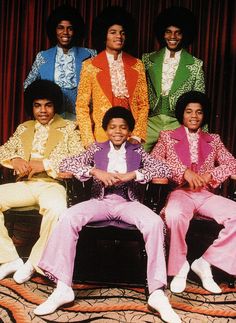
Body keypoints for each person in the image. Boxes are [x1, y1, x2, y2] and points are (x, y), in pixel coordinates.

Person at [34, 107, 181, 323]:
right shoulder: (96, 148)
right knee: (67, 217)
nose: (117, 131)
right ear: (106, 129)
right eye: (112, 127)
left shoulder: (137, 151)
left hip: (128, 203)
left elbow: (165, 169)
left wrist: (134, 174)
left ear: (129, 130)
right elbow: (65, 163)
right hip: (100, 202)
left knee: (154, 223)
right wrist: (95, 171)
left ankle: (157, 291)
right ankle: (63, 287)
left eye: (123, 127)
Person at [151, 91, 236, 294]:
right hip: (180, 193)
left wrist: (210, 175)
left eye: (199, 112)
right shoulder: (167, 137)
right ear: (182, 114)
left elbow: (232, 162)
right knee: (174, 215)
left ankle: (205, 263)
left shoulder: (213, 140)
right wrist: (183, 172)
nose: (194, 116)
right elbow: (153, 161)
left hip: (205, 195)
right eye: (189, 111)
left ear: (204, 115)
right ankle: (180, 266)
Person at [0, 79, 84, 284]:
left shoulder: (69, 128)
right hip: (25, 184)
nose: (43, 110)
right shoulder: (24, 128)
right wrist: (15, 159)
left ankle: (34, 262)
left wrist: (45, 164)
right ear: (32, 107)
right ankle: (10, 259)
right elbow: (4, 150)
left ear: (55, 106)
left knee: (57, 210)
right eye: (37, 105)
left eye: (48, 105)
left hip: (52, 184)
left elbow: (79, 156)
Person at [76, 6, 149, 148]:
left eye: (122, 33)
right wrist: (89, 141)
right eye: (113, 32)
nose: (119, 36)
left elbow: (143, 104)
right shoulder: (90, 66)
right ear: (104, 35)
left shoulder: (137, 65)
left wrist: (137, 135)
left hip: (130, 134)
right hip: (102, 135)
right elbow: (81, 106)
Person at [142, 7, 205, 152]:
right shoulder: (146, 59)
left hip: (177, 124)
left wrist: (201, 137)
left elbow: (200, 102)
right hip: (149, 122)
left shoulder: (195, 64)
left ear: (185, 35)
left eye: (178, 33)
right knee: (134, 158)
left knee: (175, 165)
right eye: (168, 32)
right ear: (162, 33)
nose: (173, 37)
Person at [24, 4, 96, 120]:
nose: (65, 32)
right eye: (60, 27)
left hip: (83, 119)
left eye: (70, 28)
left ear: (76, 30)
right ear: (54, 30)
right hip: (52, 119)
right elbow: (27, 86)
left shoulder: (90, 55)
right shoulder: (43, 56)